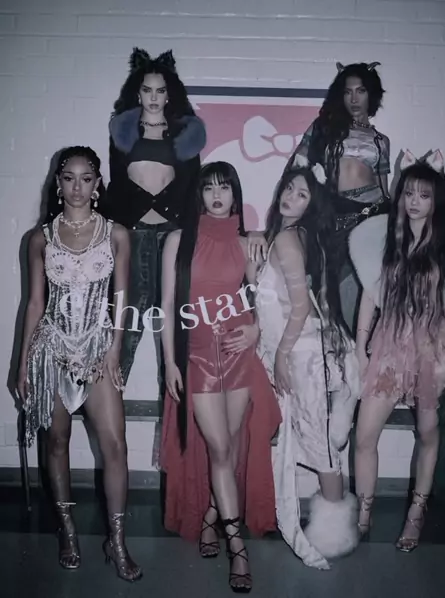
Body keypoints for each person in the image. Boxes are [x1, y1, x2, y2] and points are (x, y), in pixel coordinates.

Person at [16, 146, 142, 581]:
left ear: (97, 183)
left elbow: (122, 299)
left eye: (86, 178)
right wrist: (22, 364)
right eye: (68, 178)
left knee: (116, 446)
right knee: (56, 443)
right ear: (58, 183)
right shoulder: (39, 238)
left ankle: (117, 540)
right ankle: (67, 530)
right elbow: (35, 304)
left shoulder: (116, 234)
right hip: (52, 350)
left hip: (97, 349)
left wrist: (115, 349)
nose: (77, 187)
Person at [157, 161, 281, 593]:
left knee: (229, 449)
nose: (216, 195)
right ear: (199, 194)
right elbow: (166, 307)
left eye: (224, 188)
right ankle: (237, 547)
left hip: (238, 355)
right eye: (209, 188)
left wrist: (256, 329)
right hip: (197, 359)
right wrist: (170, 363)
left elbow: (264, 300)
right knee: (220, 449)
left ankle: (212, 516)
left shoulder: (247, 244)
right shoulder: (178, 240)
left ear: (234, 194)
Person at [350, 150, 445, 552]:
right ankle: (364, 514)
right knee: (364, 435)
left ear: (436, 199)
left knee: (427, 433)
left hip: (430, 348)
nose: (414, 201)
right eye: (409, 193)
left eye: (424, 195)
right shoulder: (384, 239)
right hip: (389, 345)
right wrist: (360, 347)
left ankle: (416, 515)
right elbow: (370, 296)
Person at [251, 166, 360, 569]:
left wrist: (281, 355)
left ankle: (335, 534)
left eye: (302, 195)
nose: (290, 197)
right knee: (311, 440)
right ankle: (331, 528)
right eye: (289, 189)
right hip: (298, 351)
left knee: (318, 443)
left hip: (301, 355)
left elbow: (299, 308)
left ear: (312, 205)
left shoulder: (288, 238)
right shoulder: (292, 236)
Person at [248, 62, 390, 332]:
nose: (354, 98)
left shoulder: (380, 141)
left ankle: (365, 351)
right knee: (330, 292)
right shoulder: (324, 129)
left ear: (371, 94)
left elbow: (384, 190)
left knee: (369, 294)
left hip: (372, 218)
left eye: (360, 91)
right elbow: (296, 171)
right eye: (348, 92)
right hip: (335, 217)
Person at [106, 47, 206, 388]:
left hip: (170, 234)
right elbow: (117, 185)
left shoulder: (186, 132)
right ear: (137, 93)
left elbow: (193, 187)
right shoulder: (122, 131)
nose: (153, 97)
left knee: (172, 326)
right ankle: (108, 406)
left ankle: (176, 415)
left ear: (169, 94)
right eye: (147, 90)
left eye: (160, 90)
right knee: (126, 322)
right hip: (132, 234)